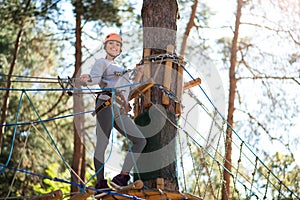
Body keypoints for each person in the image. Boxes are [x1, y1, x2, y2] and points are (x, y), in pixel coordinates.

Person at [80, 33, 146, 190]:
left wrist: (140, 74)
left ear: (120, 49)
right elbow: (95, 79)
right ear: (105, 47)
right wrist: (87, 79)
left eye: (117, 45)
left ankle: (122, 177)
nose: (114, 47)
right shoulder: (101, 62)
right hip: (106, 102)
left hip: (120, 109)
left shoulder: (123, 70)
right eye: (111, 44)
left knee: (140, 140)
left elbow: (129, 92)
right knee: (103, 143)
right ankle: (100, 183)